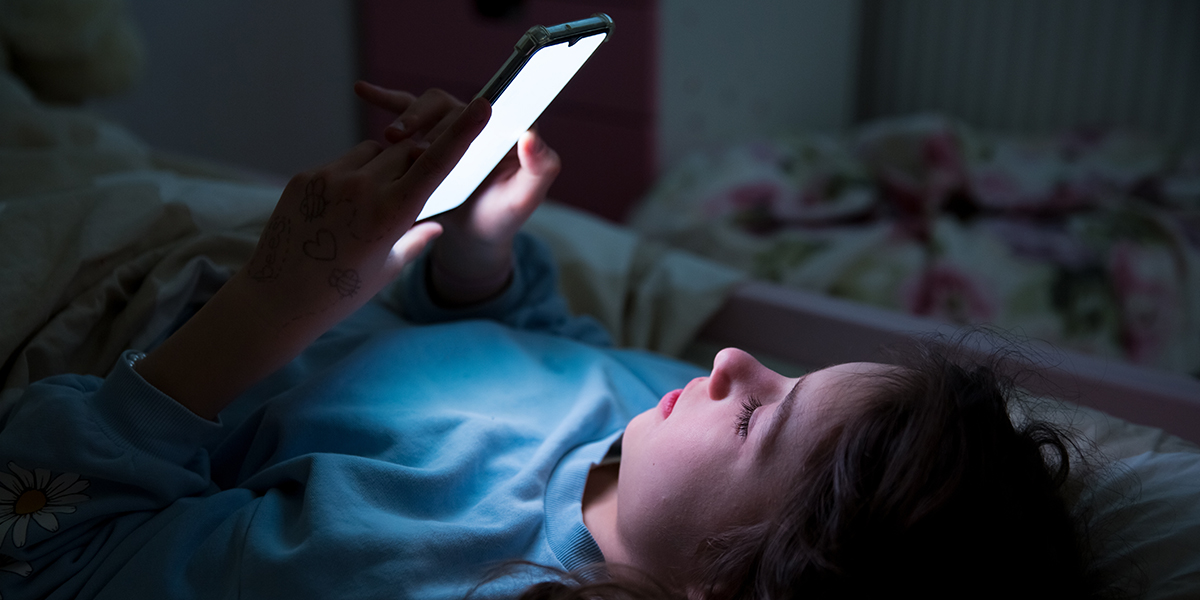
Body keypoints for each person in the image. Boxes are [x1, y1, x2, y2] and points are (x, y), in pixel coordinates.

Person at [0, 84, 1100, 600]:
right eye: (785, 371)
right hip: (283, 272)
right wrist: (480, 249)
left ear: (726, 587)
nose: (729, 365)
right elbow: (538, 340)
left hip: (115, 335)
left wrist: (277, 304)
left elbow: (53, 549)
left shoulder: (397, 567)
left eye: (763, 417)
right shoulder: (664, 418)